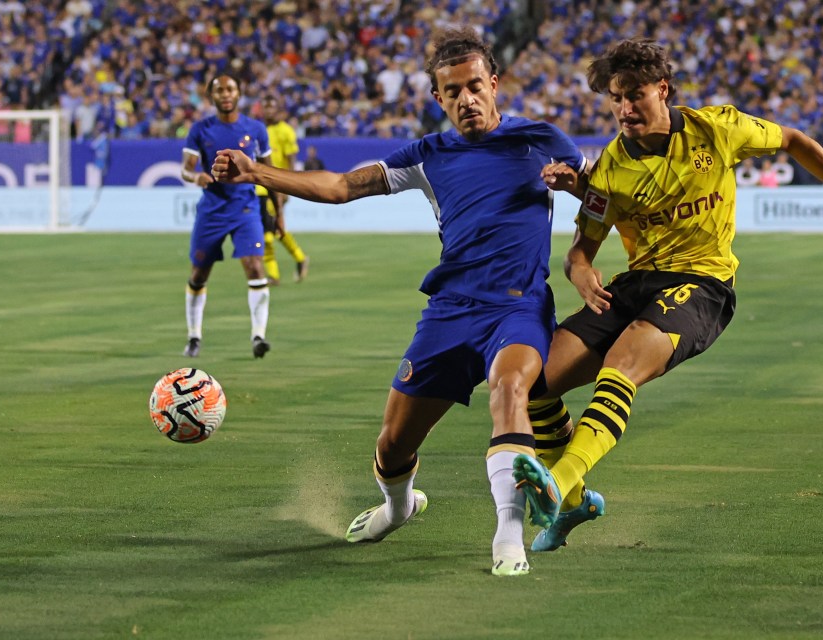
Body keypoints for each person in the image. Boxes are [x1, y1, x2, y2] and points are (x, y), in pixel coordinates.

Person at [212, 26, 587, 576]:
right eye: (453, 91)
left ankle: (509, 538)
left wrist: (576, 188)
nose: (467, 99)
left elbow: (601, 198)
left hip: (518, 306)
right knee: (392, 445)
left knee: (511, 390)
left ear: (495, 84)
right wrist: (257, 172)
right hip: (450, 311)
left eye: (475, 86)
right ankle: (399, 505)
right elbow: (342, 186)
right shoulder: (426, 155)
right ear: (438, 98)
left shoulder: (544, 140)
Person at [510, 38, 823, 550]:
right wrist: (580, 270)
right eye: (615, 98)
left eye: (634, 95)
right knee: (535, 384)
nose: (624, 109)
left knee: (623, 361)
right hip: (637, 284)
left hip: (702, 285)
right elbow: (581, 249)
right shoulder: (611, 166)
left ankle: (559, 479)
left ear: (663, 88)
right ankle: (573, 504)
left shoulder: (715, 129)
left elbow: (790, 139)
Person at [180, 73, 277, 359]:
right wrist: (195, 176)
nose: (225, 94)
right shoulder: (200, 129)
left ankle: (258, 336)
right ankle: (194, 336)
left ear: (239, 93)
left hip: (245, 208)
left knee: (256, 267)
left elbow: (270, 173)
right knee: (199, 273)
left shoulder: (256, 129)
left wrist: (278, 213)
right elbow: (185, 168)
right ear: (211, 96)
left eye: (230, 89)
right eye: (219, 90)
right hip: (212, 209)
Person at [256, 95, 310, 285]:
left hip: (277, 185)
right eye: (266, 107)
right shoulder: (259, 129)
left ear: (280, 110)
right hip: (260, 185)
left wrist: (288, 187)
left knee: (270, 231)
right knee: (269, 230)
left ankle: (294, 261)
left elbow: (291, 161)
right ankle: (286, 266)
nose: (269, 111)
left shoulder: (286, 131)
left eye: (272, 107)